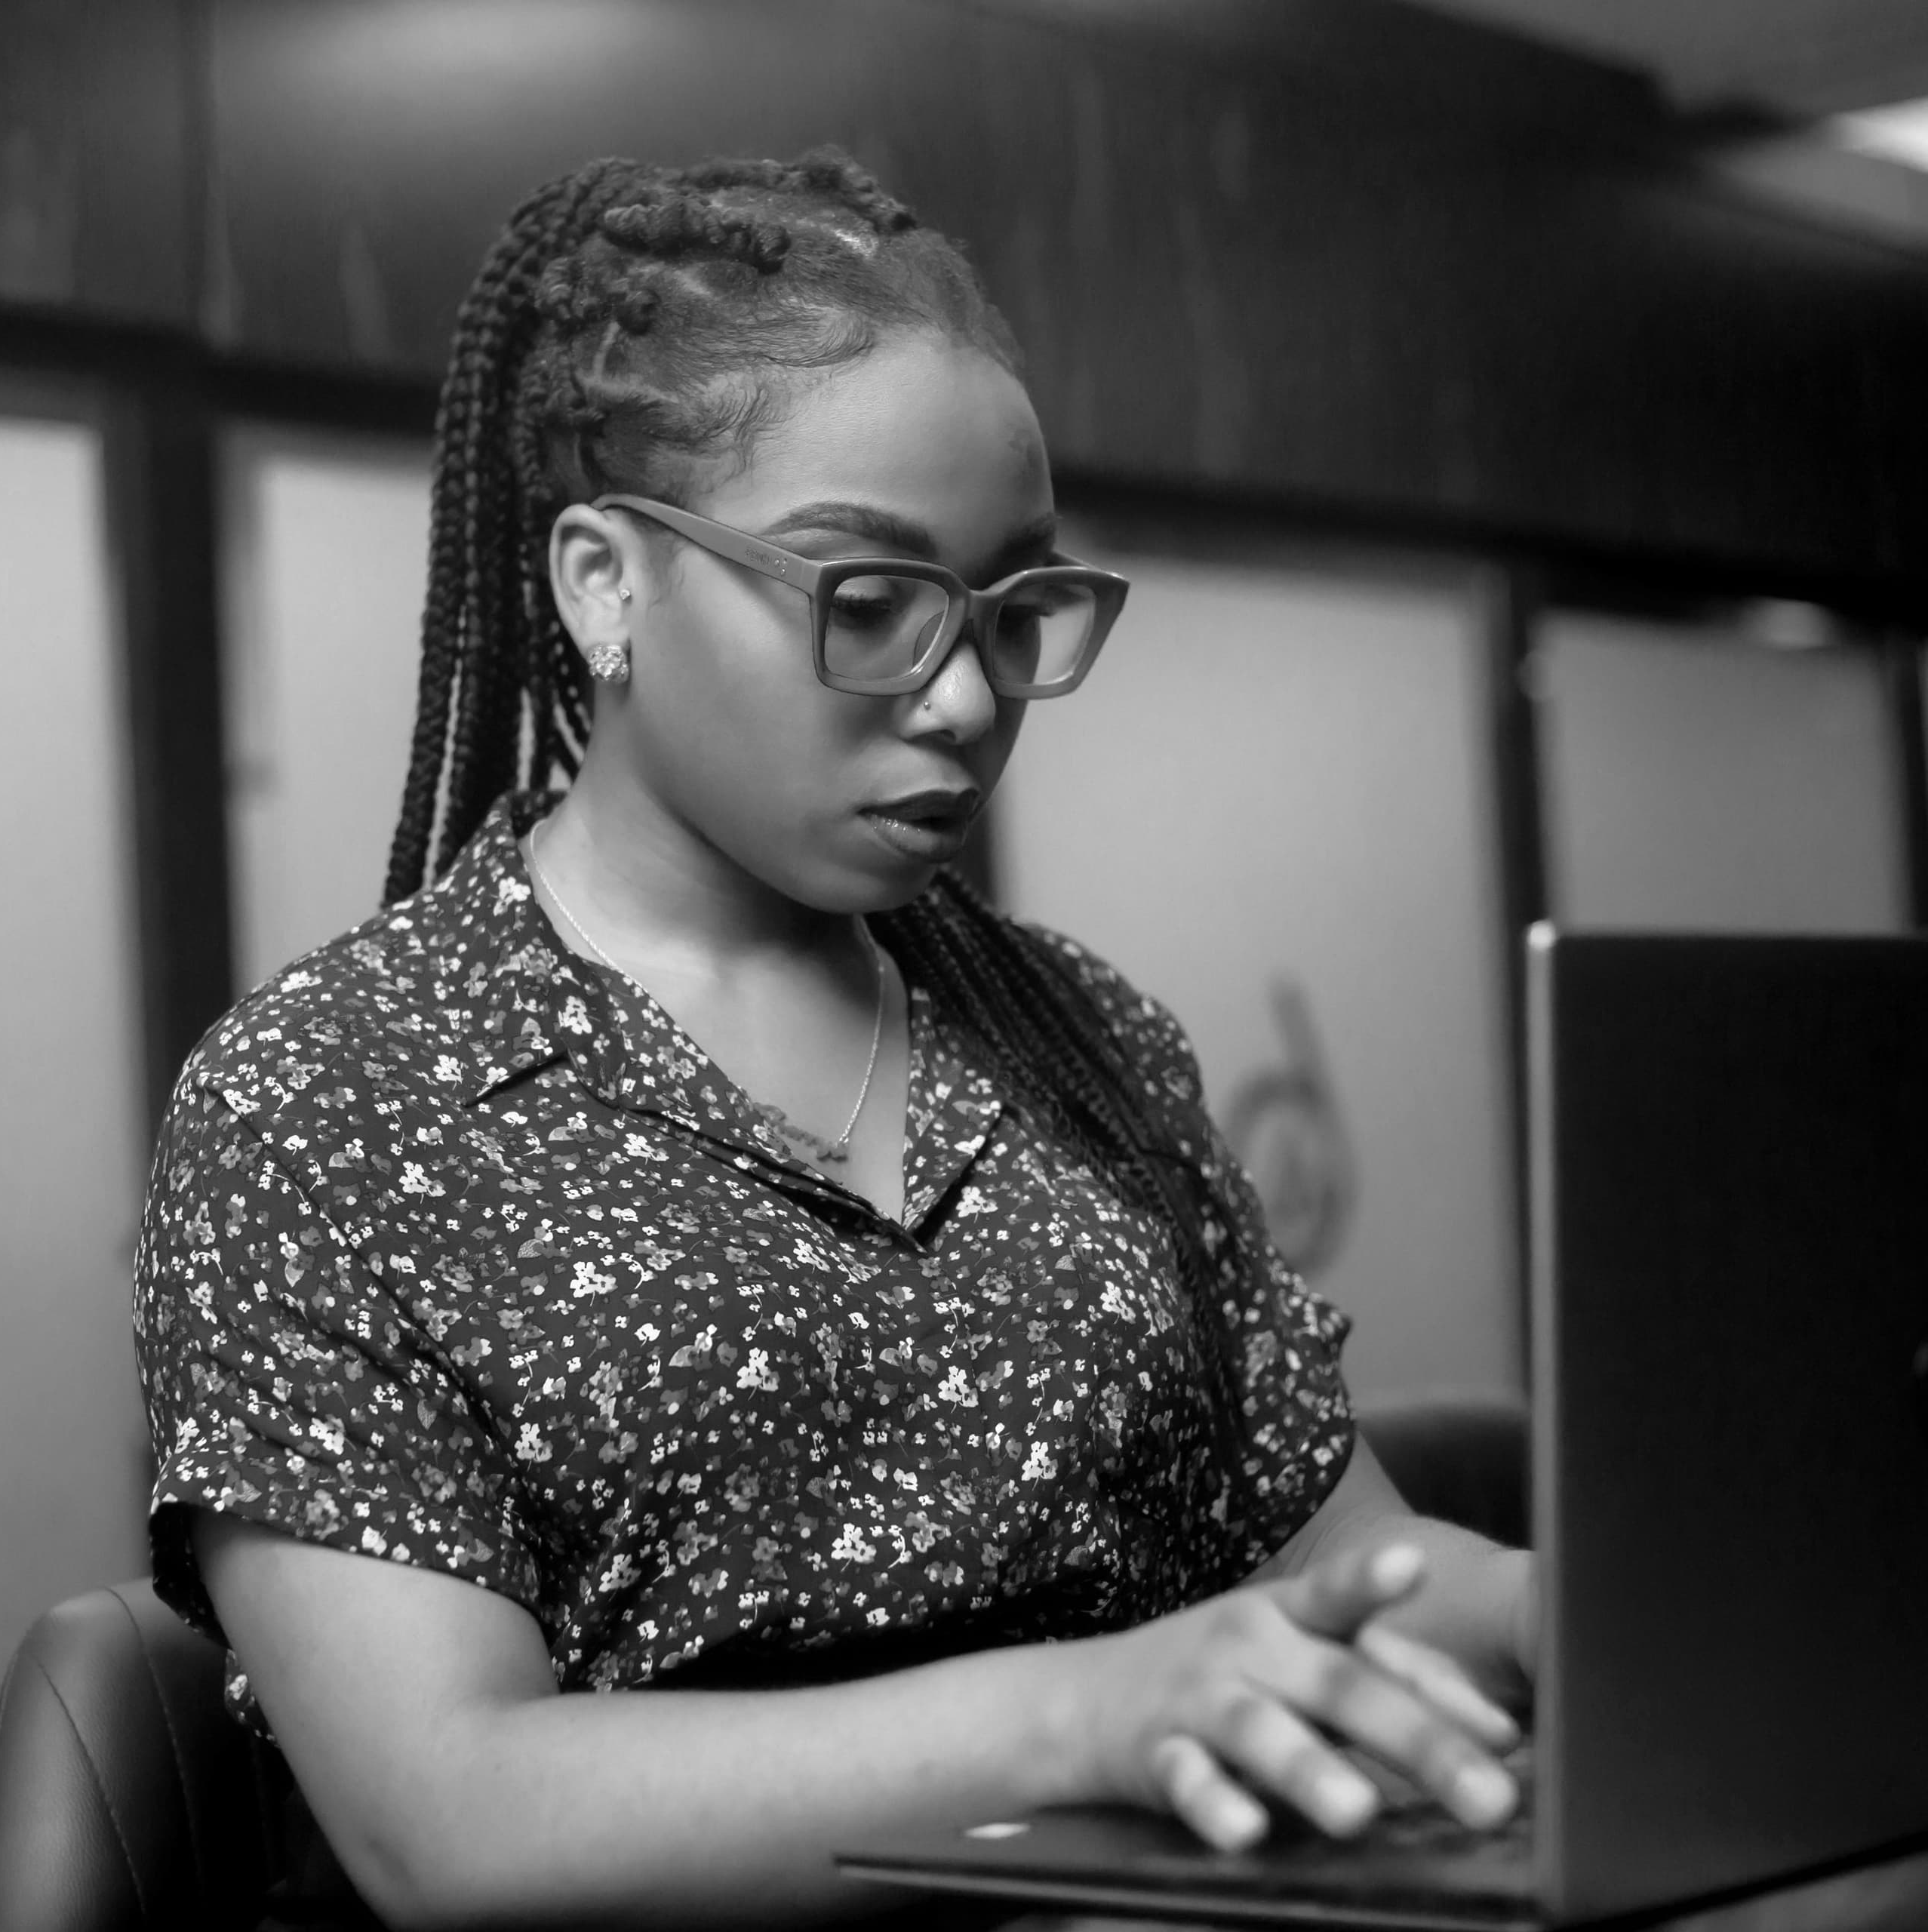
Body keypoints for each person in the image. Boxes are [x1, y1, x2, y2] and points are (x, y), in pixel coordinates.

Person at [134, 151, 1534, 1930]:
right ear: (603, 584)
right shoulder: (329, 1102)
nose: (963, 698)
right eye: (866, 602)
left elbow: (1343, 1584)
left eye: (1014, 608)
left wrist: (1557, 1614)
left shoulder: (1084, 1041)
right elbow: (451, 1816)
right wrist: (1088, 1714)